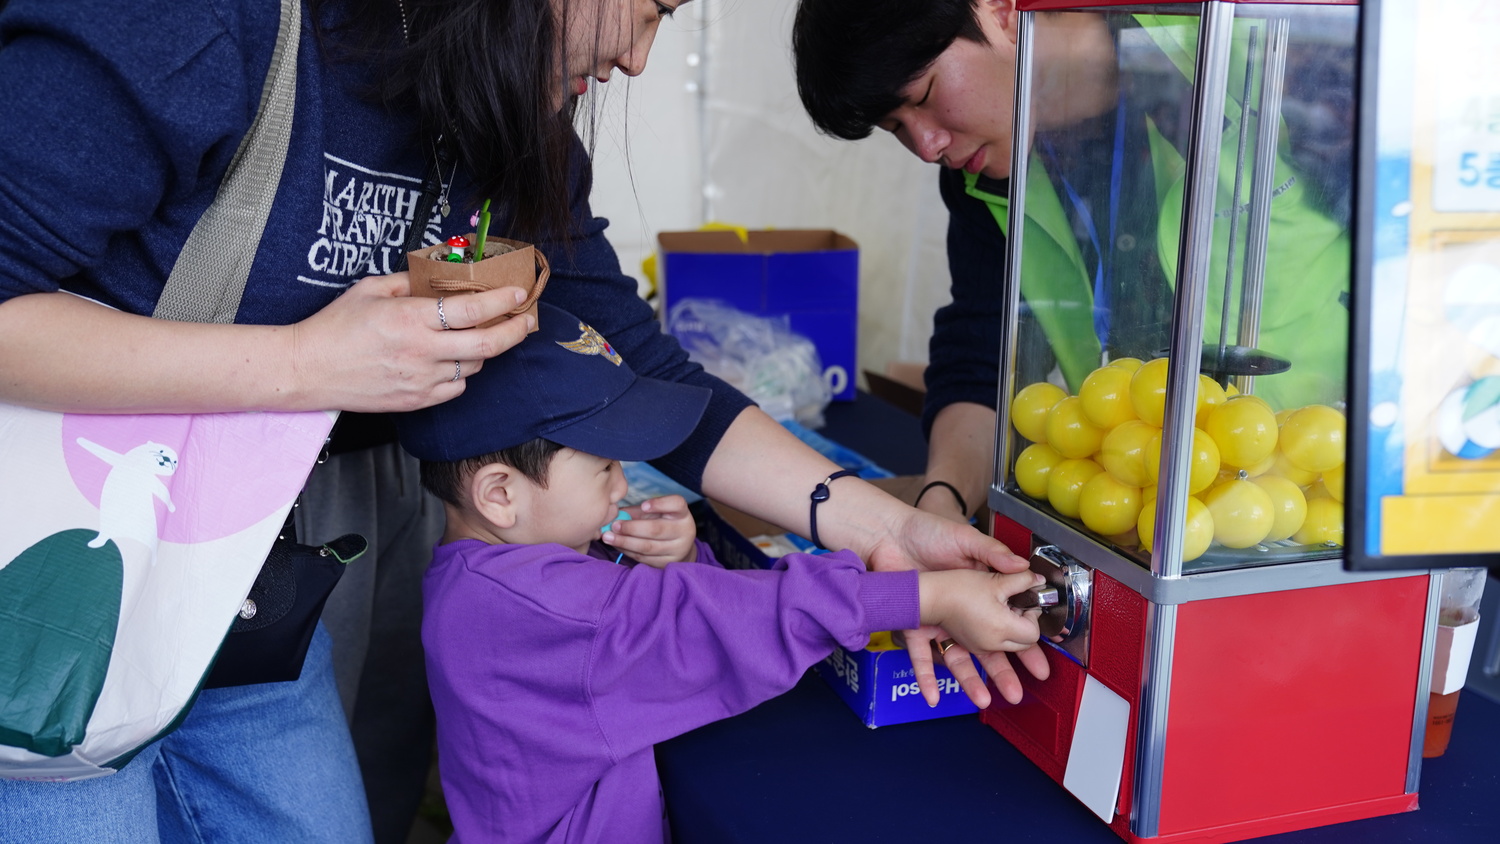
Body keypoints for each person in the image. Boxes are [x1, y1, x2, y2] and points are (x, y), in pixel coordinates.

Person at [0, 0, 1045, 840]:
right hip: (54, 578)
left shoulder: (501, 116)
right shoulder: (194, 27)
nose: (640, 59)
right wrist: (302, 363)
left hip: (257, 564)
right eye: (650, 10)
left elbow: (647, 363)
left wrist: (881, 527)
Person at [396, 302, 1046, 843]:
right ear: (500, 494)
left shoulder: (477, 575)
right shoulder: (552, 607)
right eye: (604, 469)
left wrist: (679, 562)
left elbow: (628, 644)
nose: (623, 483)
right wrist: (928, 594)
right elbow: (717, 619)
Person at [792, 0, 1353, 525]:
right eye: (896, 128)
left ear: (998, 8)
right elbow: (984, 347)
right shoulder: (977, 178)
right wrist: (941, 503)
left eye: (922, 96)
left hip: (1317, 513)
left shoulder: (1249, 52)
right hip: (1143, 518)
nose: (926, 145)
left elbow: (1414, 255)